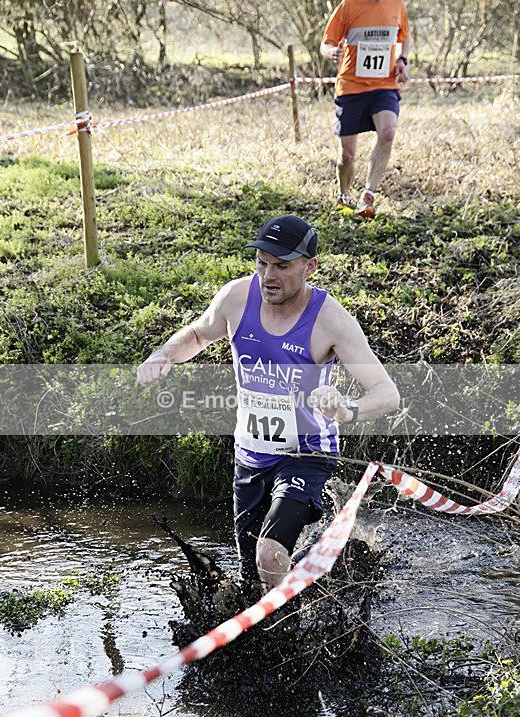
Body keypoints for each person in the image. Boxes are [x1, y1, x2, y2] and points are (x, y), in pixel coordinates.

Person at [137, 215, 399, 594]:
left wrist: (346, 410)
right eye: (261, 262)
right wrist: (165, 354)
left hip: (306, 452)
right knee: (252, 577)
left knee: (269, 554)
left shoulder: (330, 319)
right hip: (251, 453)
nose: (268, 275)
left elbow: (386, 392)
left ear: (309, 267)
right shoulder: (237, 298)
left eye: (281, 265)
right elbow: (198, 333)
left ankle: (289, 631)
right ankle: (306, 587)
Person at [320, 0, 411, 219]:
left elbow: (405, 36)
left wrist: (402, 59)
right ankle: (343, 195)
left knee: (388, 132)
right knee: (347, 155)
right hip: (350, 87)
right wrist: (331, 52)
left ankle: (368, 195)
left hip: (384, 85)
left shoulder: (396, 4)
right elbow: (325, 44)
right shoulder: (348, 6)